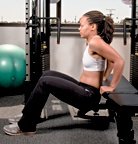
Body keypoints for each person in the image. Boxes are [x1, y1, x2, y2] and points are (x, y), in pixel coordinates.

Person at [3, 10, 125, 140]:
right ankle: (30, 115)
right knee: (47, 74)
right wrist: (104, 77)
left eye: (81, 25)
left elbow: (118, 61)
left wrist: (111, 86)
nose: (79, 28)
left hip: (87, 96)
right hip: (84, 88)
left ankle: (26, 126)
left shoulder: (96, 42)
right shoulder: (94, 41)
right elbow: (111, 62)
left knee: (46, 82)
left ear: (92, 27)